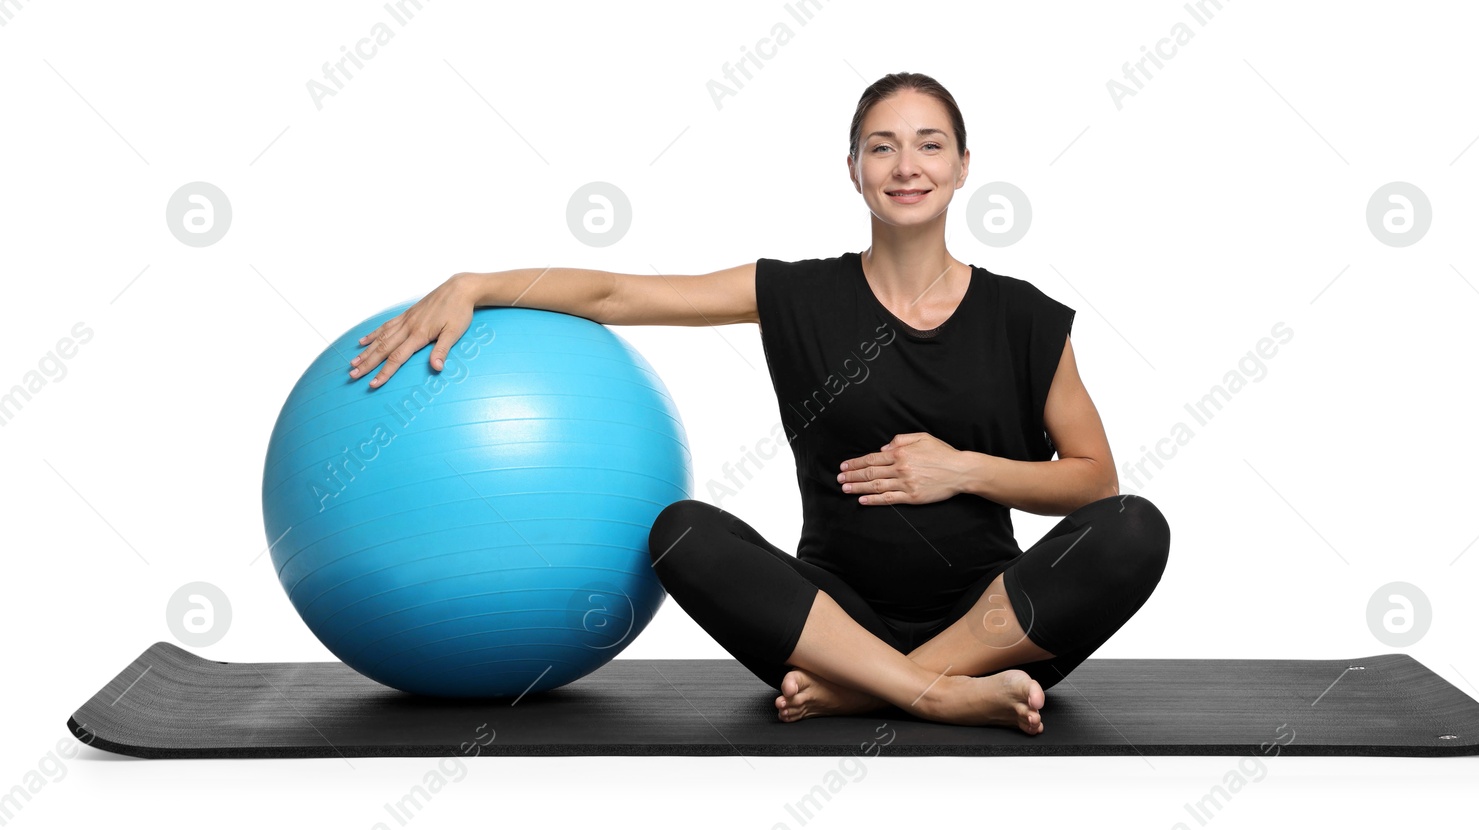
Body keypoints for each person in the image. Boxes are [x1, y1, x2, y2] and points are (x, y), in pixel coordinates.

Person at [347, 72, 1170, 736]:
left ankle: (884, 690)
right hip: (828, 623)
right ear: (853, 170)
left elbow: (1094, 483)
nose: (905, 165)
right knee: (683, 533)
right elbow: (622, 292)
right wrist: (476, 284)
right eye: (881, 147)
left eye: (929, 145)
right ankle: (934, 693)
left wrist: (962, 470)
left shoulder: (1022, 317)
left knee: (1137, 528)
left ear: (962, 165)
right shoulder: (796, 293)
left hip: (995, 623)